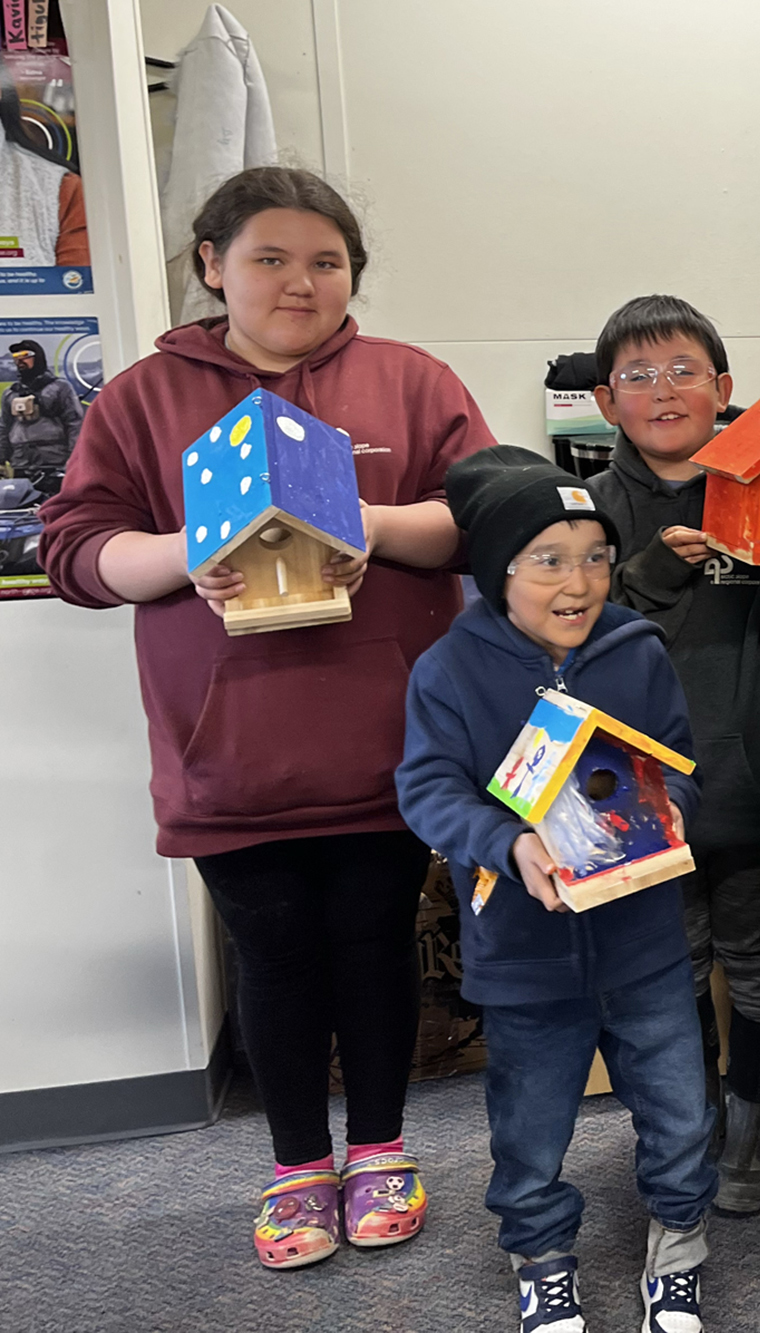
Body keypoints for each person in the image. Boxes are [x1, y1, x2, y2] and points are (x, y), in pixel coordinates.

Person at [36, 166, 495, 1270]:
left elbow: (480, 518)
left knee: (374, 947)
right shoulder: (144, 396)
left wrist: (367, 521)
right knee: (275, 957)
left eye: (326, 262)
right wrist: (188, 553)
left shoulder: (409, 380)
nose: (301, 282)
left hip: (389, 744)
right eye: (270, 258)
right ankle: (297, 1164)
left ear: (353, 275)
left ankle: (381, 1145)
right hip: (224, 754)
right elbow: (75, 548)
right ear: (212, 265)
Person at [398, 446, 713, 1333]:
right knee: (529, 1127)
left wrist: (673, 807)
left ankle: (681, 1245)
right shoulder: (449, 670)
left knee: (681, 1111)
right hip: (525, 954)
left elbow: (678, 760)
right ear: (500, 571)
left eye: (597, 557)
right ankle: (541, 1256)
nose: (579, 582)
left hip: (644, 943)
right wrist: (508, 838)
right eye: (549, 559)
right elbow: (427, 789)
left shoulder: (635, 650)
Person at [584, 294, 760, 1216]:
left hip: (753, 784)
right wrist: (654, 571)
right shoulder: (585, 508)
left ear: (724, 388)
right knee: (670, 969)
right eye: (638, 376)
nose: (664, 391)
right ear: (606, 400)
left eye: (685, 371)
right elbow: (569, 643)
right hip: (638, 795)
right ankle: (685, 1123)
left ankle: (759, 1121)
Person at [1, 338, 83, 491]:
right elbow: (4, 428)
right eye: (16, 357)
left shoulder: (60, 388)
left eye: (25, 355)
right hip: (21, 464)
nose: (20, 360)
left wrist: (74, 462)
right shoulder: (10, 394)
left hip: (54, 464)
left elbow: (74, 425)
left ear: (37, 357)